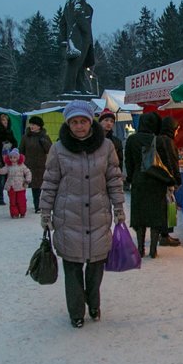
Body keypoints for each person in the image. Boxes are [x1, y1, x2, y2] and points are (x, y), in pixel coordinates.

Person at [40, 100, 125, 328]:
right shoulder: (58, 149)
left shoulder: (106, 147)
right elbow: (49, 182)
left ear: (90, 121)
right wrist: (45, 212)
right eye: (74, 122)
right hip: (68, 218)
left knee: (96, 267)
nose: (79, 126)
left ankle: (94, 303)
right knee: (73, 268)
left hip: (98, 217)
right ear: (68, 124)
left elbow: (114, 180)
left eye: (83, 121)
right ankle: (76, 312)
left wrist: (119, 207)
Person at [124, 112, 168, 258]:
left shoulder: (132, 140)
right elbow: (165, 163)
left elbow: (128, 162)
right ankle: (153, 249)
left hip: (139, 180)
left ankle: (140, 247)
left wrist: (130, 178)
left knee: (140, 215)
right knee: (156, 215)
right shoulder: (160, 140)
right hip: (156, 182)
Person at [60, 0, 95, 93]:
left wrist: (64, 38)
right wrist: (86, 30)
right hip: (80, 38)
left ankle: (80, 88)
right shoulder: (78, 0)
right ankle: (69, 89)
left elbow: (62, 23)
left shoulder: (68, 2)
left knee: (80, 65)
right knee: (75, 65)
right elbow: (78, 13)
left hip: (73, 37)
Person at [157, 115, 182, 246]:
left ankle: (165, 234)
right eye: (177, 129)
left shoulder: (159, 139)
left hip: (160, 179)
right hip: (167, 180)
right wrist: (177, 179)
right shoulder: (168, 141)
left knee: (167, 208)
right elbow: (172, 162)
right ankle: (165, 235)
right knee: (170, 207)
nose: (177, 131)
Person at [22, 116, 52, 214]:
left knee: (38, 186)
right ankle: (22, 204)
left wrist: (44, 142)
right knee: (26, 185)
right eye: (31, 124)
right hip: (28, 165)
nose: (32, 126)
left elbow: (50, 150)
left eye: (34, 124)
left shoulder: (44, 136)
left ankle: (38, 205)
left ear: (39, 126)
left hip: (40, 165)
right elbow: (21, 150)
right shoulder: (26, 137)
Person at [0, 113, 18, 206]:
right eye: (3, 120)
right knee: (1, 179)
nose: (5, 122)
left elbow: (15, 143)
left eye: (6, 120)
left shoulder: (9, 131)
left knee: (7, 179)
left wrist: (11, 145)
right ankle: (0, 197)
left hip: (9, 159)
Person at [0, 148, 31, 218]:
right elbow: (3, 171)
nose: (12, 159)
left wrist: (27, 180)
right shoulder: (8, 166)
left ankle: (22, 212)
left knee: (21, 200)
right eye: (11, 157)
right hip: (11, 186)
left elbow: (28, 172)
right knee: (12, 201)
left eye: (14, 157)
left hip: (21, 186)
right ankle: (14, 213)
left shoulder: (22, 165)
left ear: (18, 158)